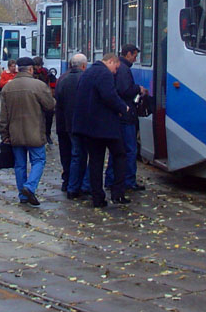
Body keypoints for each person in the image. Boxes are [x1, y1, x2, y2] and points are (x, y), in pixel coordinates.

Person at [71, 52, 130, 208]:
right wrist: (123, 108)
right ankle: (118, 193)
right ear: (110, 61)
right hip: (105, 126)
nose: (115, 72)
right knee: (120, 155)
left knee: (96, 161)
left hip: (88, 127)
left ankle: (97, 197)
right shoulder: (104, 74)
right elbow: (109, 95)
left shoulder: (88, 72)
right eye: (116, 67)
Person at [0, 57, 56, 206]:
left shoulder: (7, 88)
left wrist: (4, 135)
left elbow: (3, 116)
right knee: (39, 160)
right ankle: (29, 187)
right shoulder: (39, 86)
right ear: (31, 69)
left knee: (20, 165)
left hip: (15, 134)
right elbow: (50, 106)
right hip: (35, 132)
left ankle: (23, 196)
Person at [107, 44, 148, 192]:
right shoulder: (124, 69)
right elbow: (125, 90)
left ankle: (111, 179)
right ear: (128, 54)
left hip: (120, 115)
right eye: (135, 55)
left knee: (116, 150)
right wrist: (138, 89)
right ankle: (129, 181)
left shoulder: (120, 68)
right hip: (126, 115)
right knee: (130, 149)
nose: (135, 58)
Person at [54, 53, 90, 197]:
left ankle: (67, 181)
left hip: (63, 123)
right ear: (83, 66)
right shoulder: (85, 79)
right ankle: (77, 185)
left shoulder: (62, 79)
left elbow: (58, 100)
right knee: (80, 154)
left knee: (66, 153)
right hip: (79, 124)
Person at [31, 56, 54, 140]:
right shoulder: (31, 73)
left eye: (40, 65)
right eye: (37, 66)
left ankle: (47, 133)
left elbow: (52, 82)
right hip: (34, 96)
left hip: (44, 95)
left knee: (49, 114)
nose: (39, 67)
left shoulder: (45, 72)